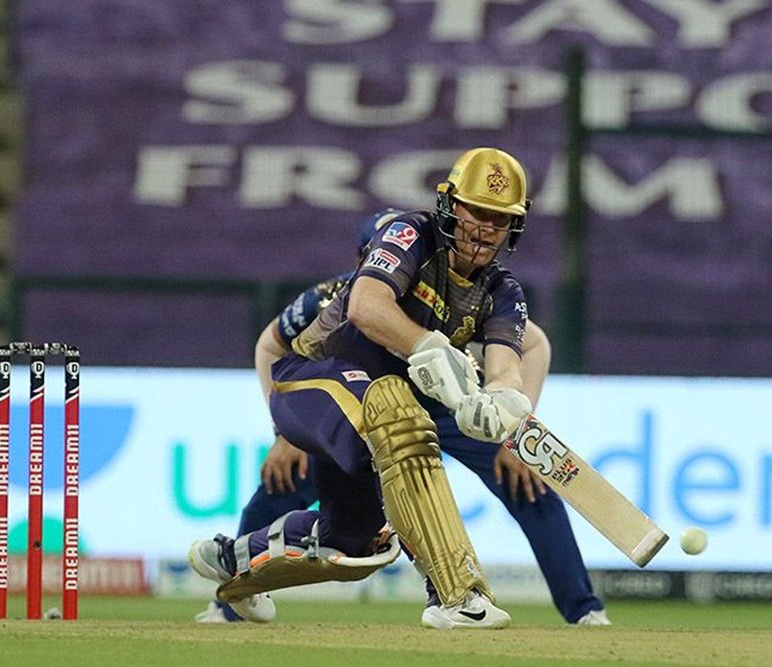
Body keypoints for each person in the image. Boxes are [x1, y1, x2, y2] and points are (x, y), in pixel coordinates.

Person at [190, 147, 578, 629]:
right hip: (310, 382)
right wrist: (428, 345)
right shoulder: (411, 232)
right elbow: (366, 307)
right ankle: (458, 596)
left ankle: (232, 558)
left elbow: (507, 366)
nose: (485, 229)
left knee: (354, 543)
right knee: (403, 419)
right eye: (477, 212)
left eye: (500, 219)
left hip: (371, 418)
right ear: (450, 205)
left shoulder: (504, 292)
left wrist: (504, 402)